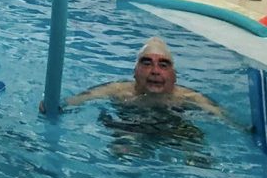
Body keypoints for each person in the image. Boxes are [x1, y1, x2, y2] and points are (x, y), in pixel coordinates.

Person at [57, 36, 233, 120]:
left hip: (171, 124)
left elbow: (228, 120)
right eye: (147, 63)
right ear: (135, 72)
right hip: (130, 123)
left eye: (163, 65)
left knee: (196, 153)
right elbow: (77, 100)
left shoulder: (188, 97)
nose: (155, 70)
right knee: (123, 151)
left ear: (174, 76)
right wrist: (56, 106)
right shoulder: (118, 90)